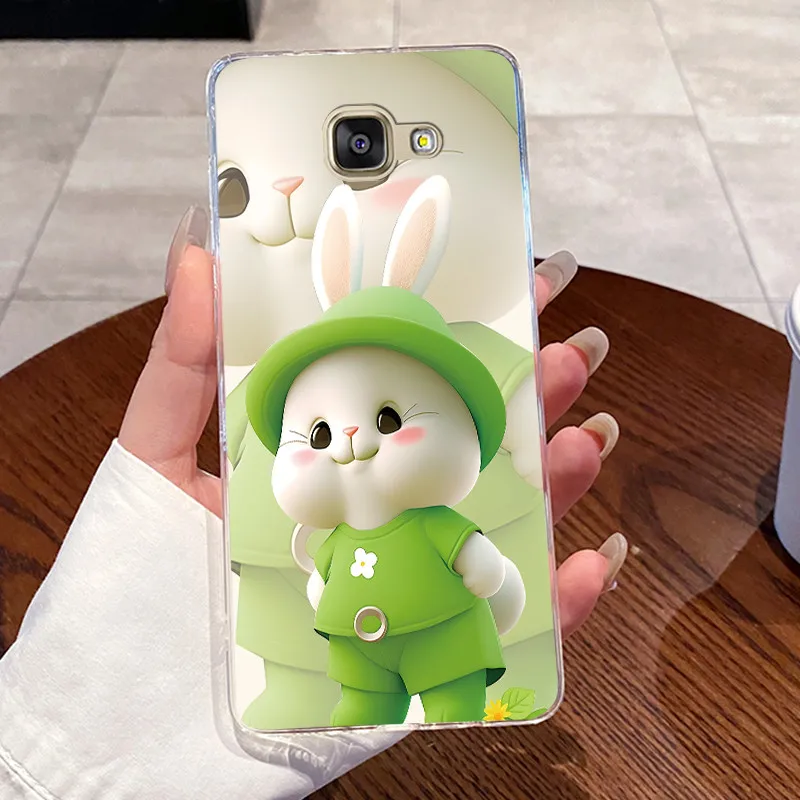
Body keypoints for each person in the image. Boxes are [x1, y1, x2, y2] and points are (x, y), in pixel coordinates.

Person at [0, 208, 628, 799]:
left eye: (389, 417)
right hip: (359, 654)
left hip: (443, 636)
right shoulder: (328, 539)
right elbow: (320, 579)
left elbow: (480, 564)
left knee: (449, 688)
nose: (350, 441)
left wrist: (494, 582)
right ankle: (368, 697)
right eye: (318, 433)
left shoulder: (439, 525)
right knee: (363, 694)